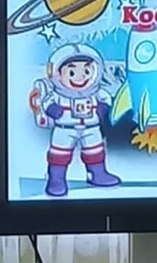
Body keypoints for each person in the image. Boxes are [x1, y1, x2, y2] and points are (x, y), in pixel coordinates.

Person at [29, 43, 120, 198]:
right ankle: (56, 180)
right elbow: (47, 102)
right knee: (59, 155)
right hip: (64, 128)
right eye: (72, 72)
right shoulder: (58, 94)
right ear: (56, 73)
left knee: (95, 151)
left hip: (91, 128)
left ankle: (97, 174)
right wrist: (52, 109)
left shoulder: (97, 92)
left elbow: (106, 99)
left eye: (86, 71)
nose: (80, 77)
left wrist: (103, 108)